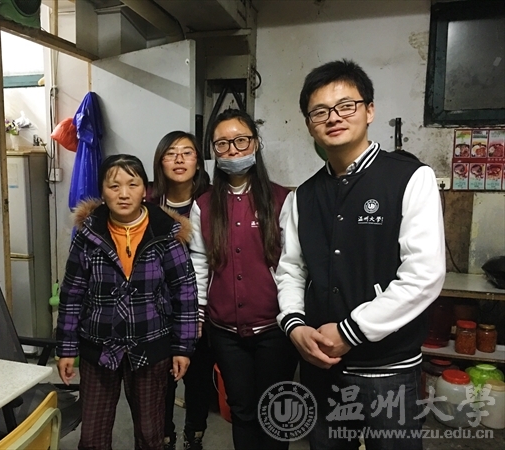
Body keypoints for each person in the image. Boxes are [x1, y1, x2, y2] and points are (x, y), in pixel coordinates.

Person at [275, 59, 446, 450]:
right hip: (321, 365)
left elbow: (423, 274)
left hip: (388, 369)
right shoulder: (303, 196)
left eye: (345, 106)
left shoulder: (410, 178)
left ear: (369, 110)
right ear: (309, 125)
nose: (333, 117)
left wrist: (350, 331)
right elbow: (291, 270)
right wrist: (295, 326)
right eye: (320, 111)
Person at [56, 154, 199, 450]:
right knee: (92, 437)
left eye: (132, 184)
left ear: (144, 190)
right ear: (102, 191)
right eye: (114, 186)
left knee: (150, 434)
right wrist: (66, 348)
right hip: (98, 348)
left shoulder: (165, 233)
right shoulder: (89, 234)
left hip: (150, 346)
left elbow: (185, 293)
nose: (123, 193)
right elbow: (72, 293)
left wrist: (182, 347)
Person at [190, 109, 298, 450]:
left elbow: (292, 264)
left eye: (240, 140)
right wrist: (197, 314)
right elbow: (199, 263)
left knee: (275, 410)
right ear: (214, 150)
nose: (232, 150)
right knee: (241, 409)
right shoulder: (204, 205)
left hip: (274, 329)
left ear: (255, 143)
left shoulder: (282, 199)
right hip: (225, 331)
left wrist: (294, 316)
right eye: (222, 144)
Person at [147, 131, 214, 450]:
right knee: (161, 381)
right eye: (171, 153)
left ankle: (194, 435)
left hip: (200, 306)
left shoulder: (212, 202)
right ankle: (165, 436)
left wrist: (198, 311)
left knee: (198, 378)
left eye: (187, 152)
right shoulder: (148, 202)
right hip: (157, 309)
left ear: (198, 162)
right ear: (160, 161)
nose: (179, 159)